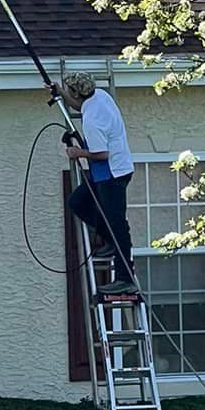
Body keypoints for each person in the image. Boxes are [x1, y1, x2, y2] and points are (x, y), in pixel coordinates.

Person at [59, 72, 139, 300]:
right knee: (77, 202)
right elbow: (78, 102)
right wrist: (60, 92)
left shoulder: (93, 120)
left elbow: (102, 153)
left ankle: (126, 279)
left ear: (77, 93)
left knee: (117, 224)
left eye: (69, 90)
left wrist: (77, 153)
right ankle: (109, 240)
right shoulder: (100, 96)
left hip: (113, 174)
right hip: (105, 173)